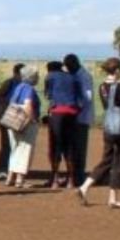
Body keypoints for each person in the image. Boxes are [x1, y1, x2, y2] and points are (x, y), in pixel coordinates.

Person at [77, 57, 120, 207]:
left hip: (109, 126)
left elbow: (115, 99)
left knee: (107, 160)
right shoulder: (119, 87)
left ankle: (84, 187)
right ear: (118, 70)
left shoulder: (102, 86)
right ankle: (112, 198)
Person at [44, 59, 82, 188]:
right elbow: (80, 99)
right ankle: (71, 180)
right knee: (69, 147)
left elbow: (48, 95)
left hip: (57, 113)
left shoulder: (50, 76)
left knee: (55, 146)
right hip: (72, 114)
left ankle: (54, 179)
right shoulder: (73, 78)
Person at [5, 64, 41, 189]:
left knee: (14, 149)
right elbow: (27, 105)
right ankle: (20, 179)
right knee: (25, 150)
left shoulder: (19, 87)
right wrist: (33, 120)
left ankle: (10, 177)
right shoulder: (29, 89)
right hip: (24, 122)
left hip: (12, 120)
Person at [65, 54, 95, 188]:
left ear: (75, 63)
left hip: (81, 118)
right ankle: (73, 175)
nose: (67, 68)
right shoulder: (74, 75)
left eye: (69, 65)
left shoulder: (84, 76)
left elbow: (87, 98)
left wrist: (74, 107)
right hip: (73, 117)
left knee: (80, 148)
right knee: (72, 148)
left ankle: (79, 176)